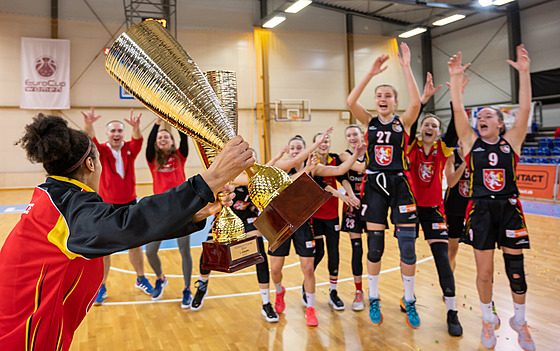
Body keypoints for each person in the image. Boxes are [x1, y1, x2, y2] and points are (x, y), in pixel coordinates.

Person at [0, 114, 253, 349]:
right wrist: (209, 180)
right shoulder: (67, 213)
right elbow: (132, 222)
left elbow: (136, 227)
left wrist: (196, 213)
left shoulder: (55, 200)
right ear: (90, 164)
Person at [448, 45, 535, 350]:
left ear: (501, 123)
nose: (481, 118)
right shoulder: (471, 142)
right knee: (484, 273)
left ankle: (520, 323)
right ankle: (488, 319)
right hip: (480, 210)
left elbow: (524, 109)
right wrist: (455, 79)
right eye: (479, 116)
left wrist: (524, 73)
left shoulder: (512, 141)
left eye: (488, 116)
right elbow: (459, 111)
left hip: (510, 209)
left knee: (516, 272)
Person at [346, 42, 422, 329]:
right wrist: (370, 74)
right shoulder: (369, 122)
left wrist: (405, 67)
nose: (383, 98)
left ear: (394, 101)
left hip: (400, 183)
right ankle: (374, 297)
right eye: (379, 95)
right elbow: (350, 102)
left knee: (408, 248)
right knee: (375, 247)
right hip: (375, 185)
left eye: (388, 95)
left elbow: (416, 103)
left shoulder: (404, 122)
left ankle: (410, 300)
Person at [191, 149, 280, 323]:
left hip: (248, 217)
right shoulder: (231, 177)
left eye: (251, 158)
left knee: (260, 254)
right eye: (245, 157)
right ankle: (202, 286)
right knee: (208, 254)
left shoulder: (257, 177)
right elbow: (239, 182)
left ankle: (266, 303)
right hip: (226, 217)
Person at [405, 72, 463, 336]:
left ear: (438, 133)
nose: (430, 128)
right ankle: (408, 299)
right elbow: (413, 118)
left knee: (441, 258)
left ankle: (452, 311)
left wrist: (455, 96)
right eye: (427, 124)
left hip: (433, 210)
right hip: (408, 209)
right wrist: (424, 99)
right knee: (408, 256)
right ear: (421, 129)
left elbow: (453, 130)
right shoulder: (411, 146)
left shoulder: (443, 148)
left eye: (434, 126)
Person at [82, 107, 152, 304]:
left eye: (119, 130)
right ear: (107, 134)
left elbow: (138, 140)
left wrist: (136, 127)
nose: (116, 134)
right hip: (107, 206)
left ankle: (140, 279)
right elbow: (90, 139)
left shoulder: (130, 149)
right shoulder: (101, 151)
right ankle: (101, 286)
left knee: (136, 245)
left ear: (123, 133)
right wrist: (88, 124)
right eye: (112, 131)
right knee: (105, 250)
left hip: (130, 204)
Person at [307, 132, 363, 311]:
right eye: (320, 141)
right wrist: (341, 195)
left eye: (327, 141)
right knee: (318, 253)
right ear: (315, 144)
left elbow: (343, 178)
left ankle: (333, 292)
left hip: (332, 215)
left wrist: (351, 195)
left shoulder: (334, 159)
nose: (324, 144)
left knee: (334, 252)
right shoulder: (312, 162)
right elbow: (321, 184)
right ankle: (306, 285)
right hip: (315, 215)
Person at [145, 118, 193, 306]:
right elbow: (148, 144)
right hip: (159, 212)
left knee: (184, 251)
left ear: (172, 142)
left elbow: (184, 139)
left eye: (166, 136)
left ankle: (187, 289)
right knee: (150, 252)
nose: (163, 138)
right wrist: (156, 124)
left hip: (181, 210)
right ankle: (160, 278)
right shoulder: (152, 159)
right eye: (160, 137)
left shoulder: (180, 157)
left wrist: (175, 121)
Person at [338, 124, 368, 311]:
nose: (352, 137)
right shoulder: (344, 155)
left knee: (374, 248)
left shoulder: (371, 152)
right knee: (357, 249)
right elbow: (349, 173)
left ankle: (373, 290)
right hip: (353, 204)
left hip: (372, 204)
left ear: (361, 135)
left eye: (354, 134)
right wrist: (351, 195)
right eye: (348, 135)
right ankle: (359, 291)